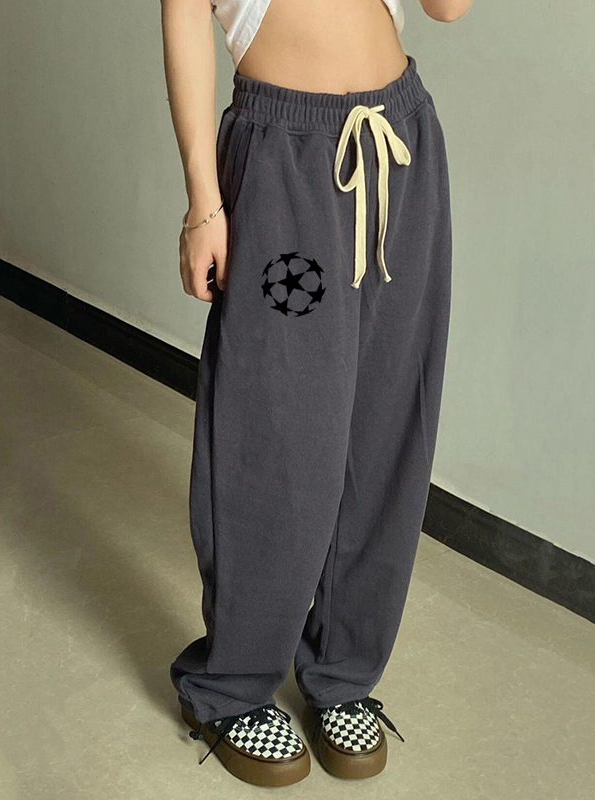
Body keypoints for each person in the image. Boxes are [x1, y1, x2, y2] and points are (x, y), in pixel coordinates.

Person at [161, 0, 472, 786]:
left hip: (401, 144)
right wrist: (204, 202)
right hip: (282, 156)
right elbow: (184, 17)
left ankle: (341, 670)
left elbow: (447, 9)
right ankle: (231, 686)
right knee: (277, 426)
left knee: (387, 425)